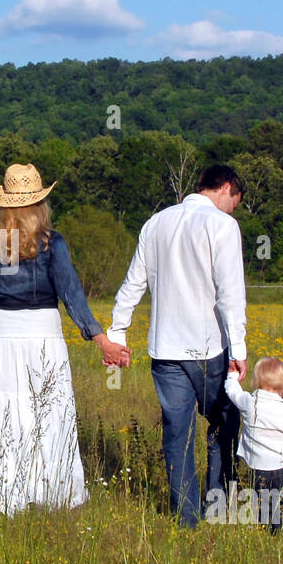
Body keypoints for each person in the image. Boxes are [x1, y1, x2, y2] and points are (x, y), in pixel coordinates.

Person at [0, 163, 125, 515]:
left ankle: (8, 496)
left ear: (4, 206)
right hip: (45, 335)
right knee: (51, 412)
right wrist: (102, 341)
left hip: (3, 336)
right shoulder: (52, 243)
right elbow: (72, 294)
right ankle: (56, 493)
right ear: (40, 204)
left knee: (7, 415)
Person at [106, 164, 247, 527]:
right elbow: (231, 294)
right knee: (225, 421)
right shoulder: (222, 226)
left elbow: (133, 284)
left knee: (177, 434)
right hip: (208, 348)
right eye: (236, 202)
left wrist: (118, 334)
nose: (233, 210)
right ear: (226, 188)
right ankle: (218, 506)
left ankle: (187, 518)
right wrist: (240, 350)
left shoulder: (155, 223)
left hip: (165, 348)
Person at [223, 358, 283, 533]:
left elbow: (233, 392)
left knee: (264, 508)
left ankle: (267, 532)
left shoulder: (250, 403)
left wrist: (232, 375)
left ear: (256, 380)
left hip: (258, 468)